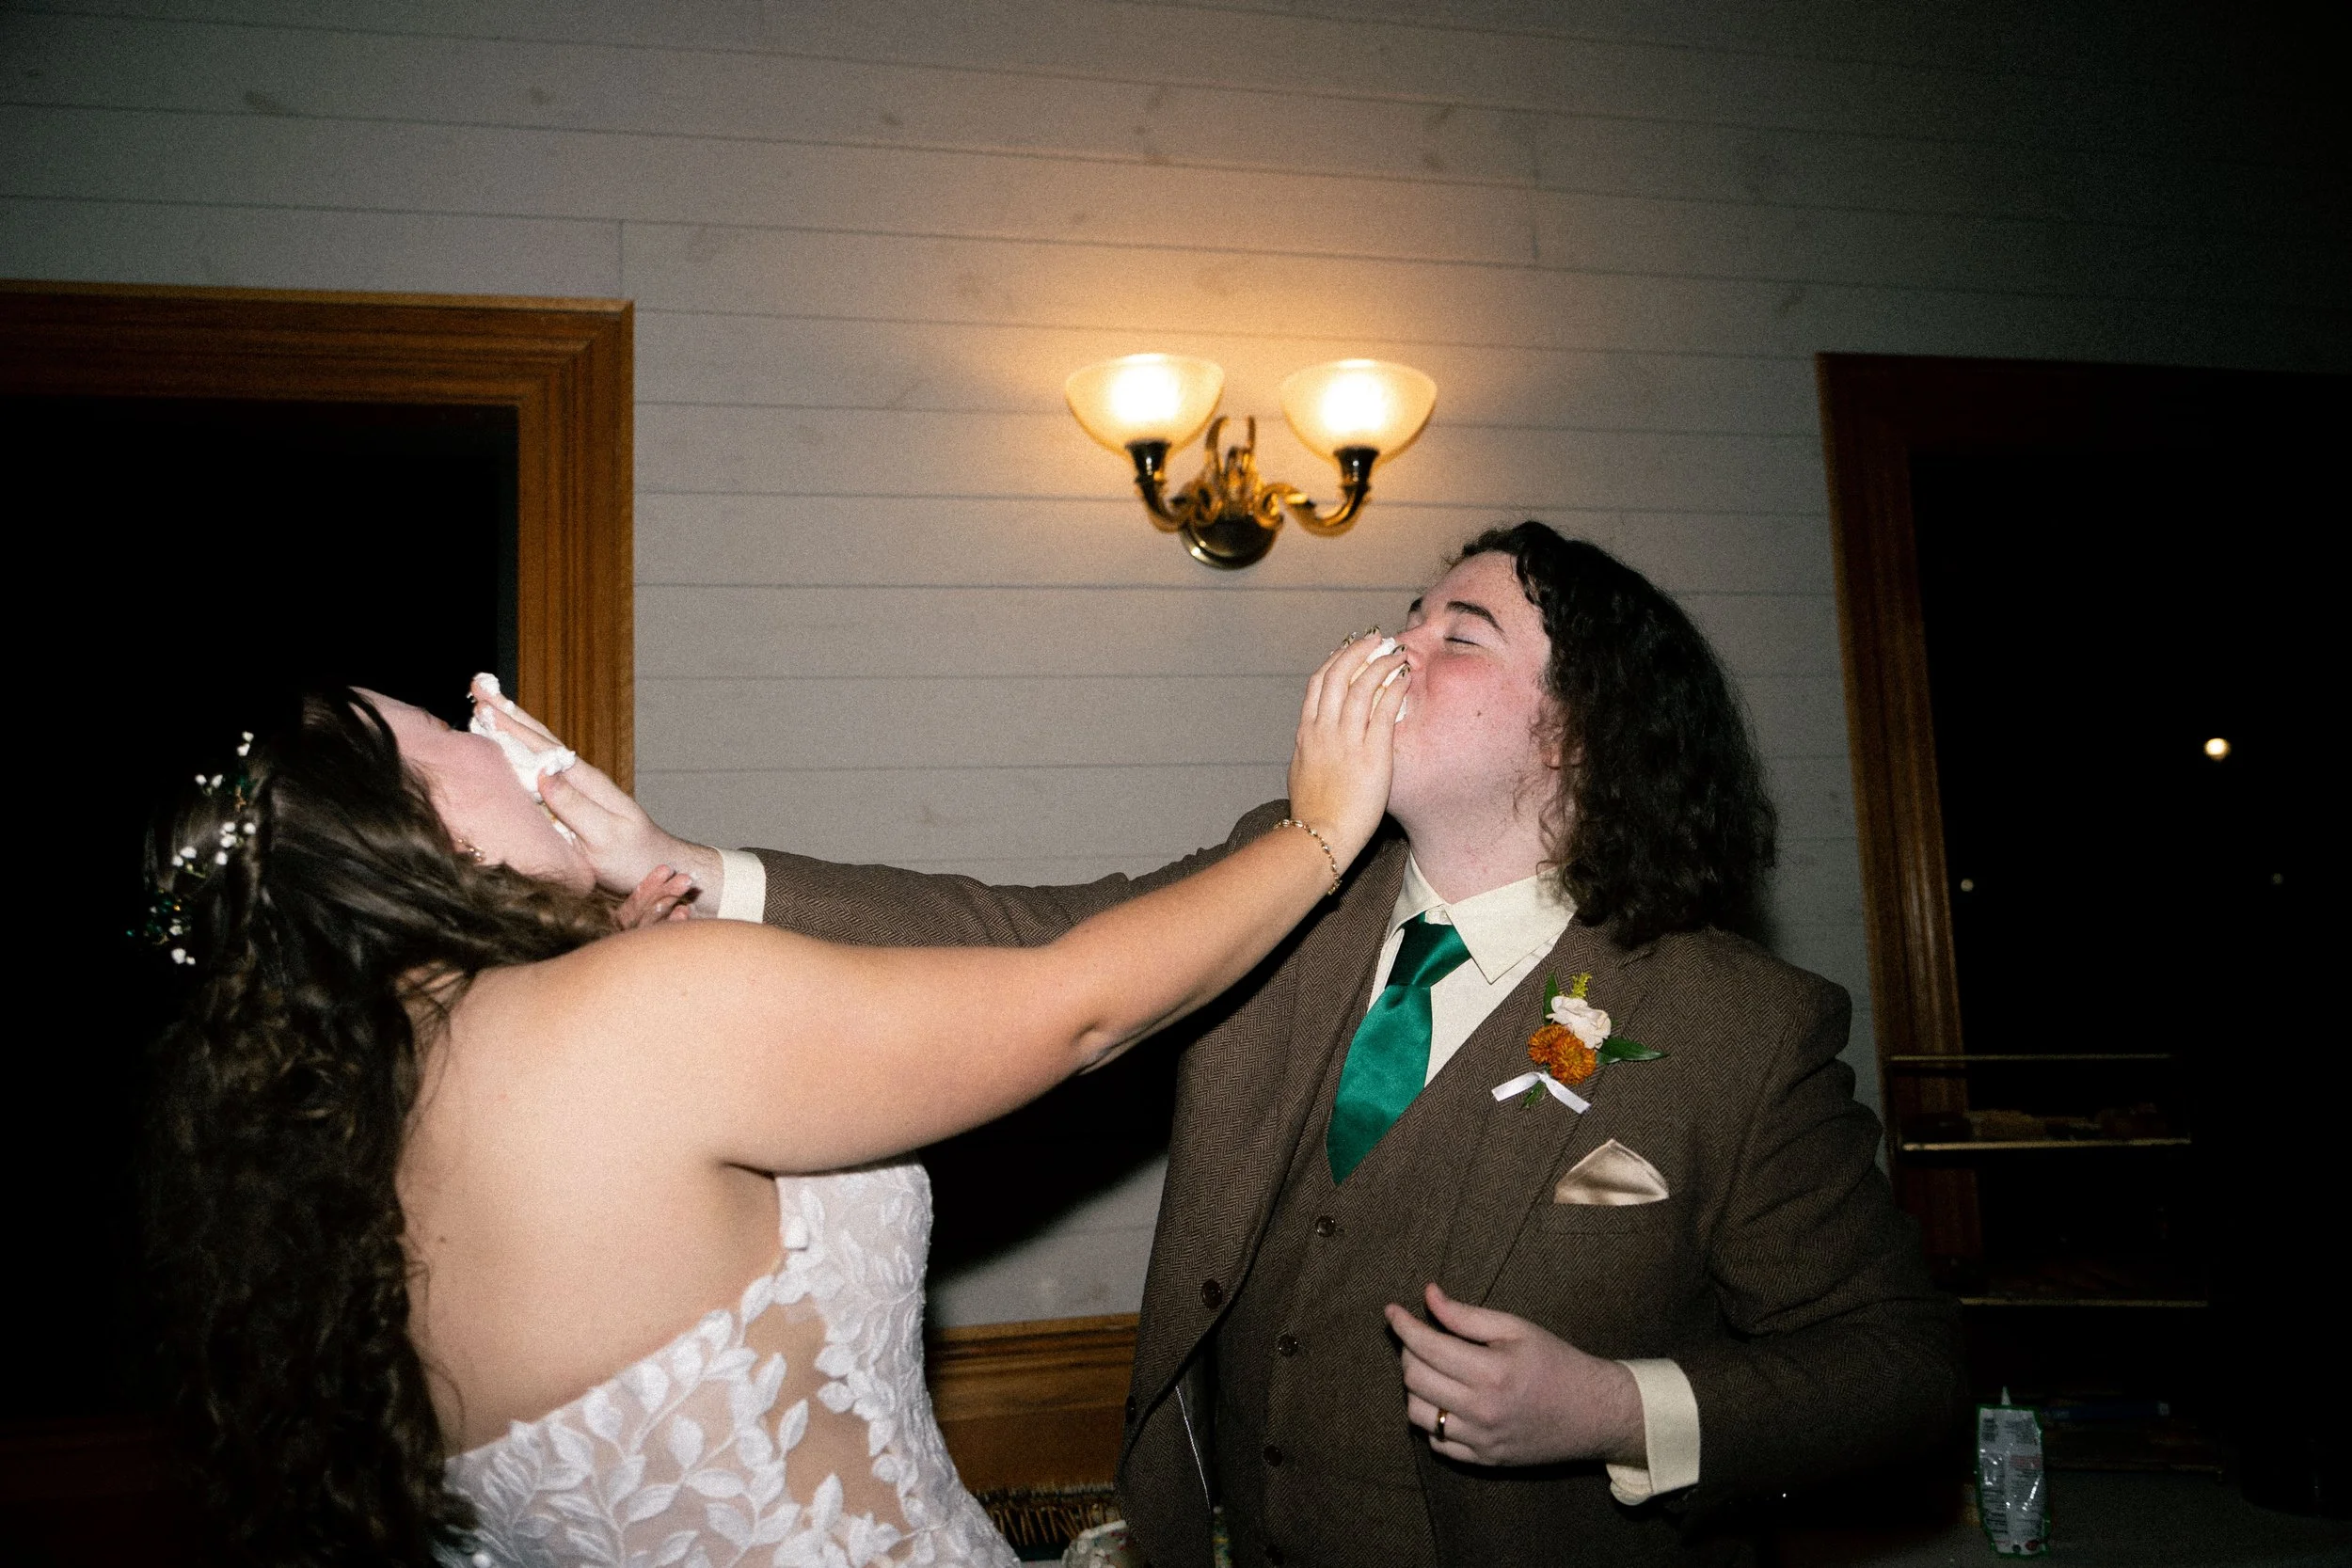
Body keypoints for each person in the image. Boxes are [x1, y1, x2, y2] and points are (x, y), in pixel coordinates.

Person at [529, 522, 1963, 1567]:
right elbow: (1028, 931)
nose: (1391, 647)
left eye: (1457, 632)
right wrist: (704, 868)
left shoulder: (1741, 1027)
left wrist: (1612, 1405)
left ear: (1582, 737)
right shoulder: (1280, 884)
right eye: (1404, 613)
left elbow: (1900, 1378)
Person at [139, 638, 1406, 1568]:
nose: (500, 739)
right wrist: (1319, 833)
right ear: (415, 836)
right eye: (451, 735)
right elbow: (1075, 1004)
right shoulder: (632, 1015)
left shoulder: (337, 1162)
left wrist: (615, 922)